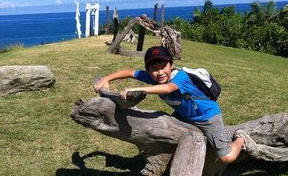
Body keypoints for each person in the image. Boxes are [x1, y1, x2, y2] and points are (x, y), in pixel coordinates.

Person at [93, 45, 256, 164]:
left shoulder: (180, 77)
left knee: (226, 157)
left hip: (208, 117)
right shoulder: (152, 77)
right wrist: (105, 79)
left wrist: (138, 89)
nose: (160, 72)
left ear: (171, 65)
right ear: (148, 70)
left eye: (163, 66)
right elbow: (128, 72)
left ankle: (241, 138)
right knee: (167, 135)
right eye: (154, 68)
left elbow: (169, 88)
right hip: (184, 116)